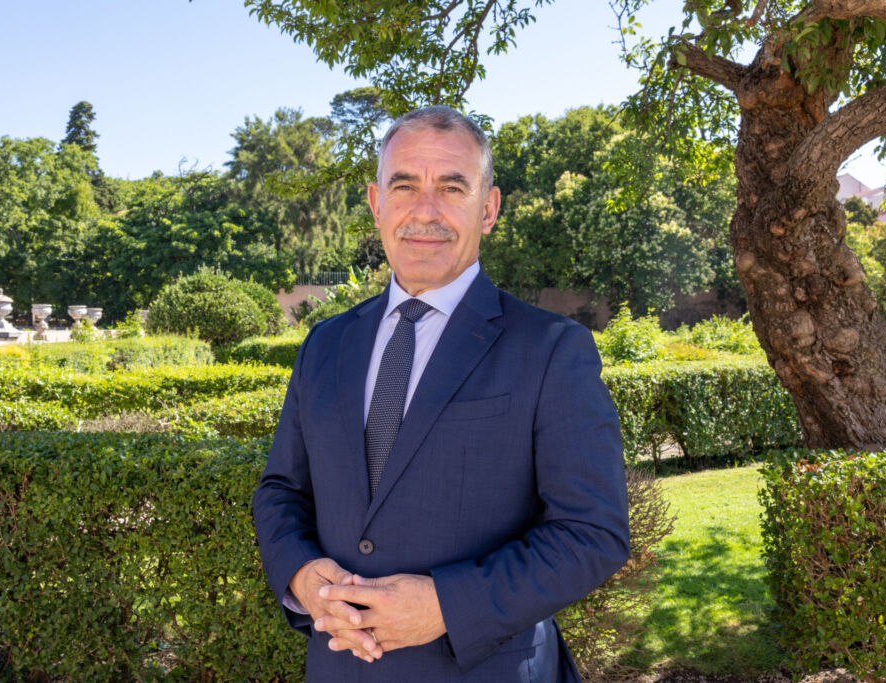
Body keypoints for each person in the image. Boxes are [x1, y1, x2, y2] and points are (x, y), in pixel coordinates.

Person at [253, 106, 630, 682]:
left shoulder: (551, 348)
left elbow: (592, 533)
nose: (424, 211)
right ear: (377, 203)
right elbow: (281, 491)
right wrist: (302, 577)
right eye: (404, 186)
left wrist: (447, 606)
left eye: (452, 188)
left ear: (489, 208)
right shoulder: (324, 345)